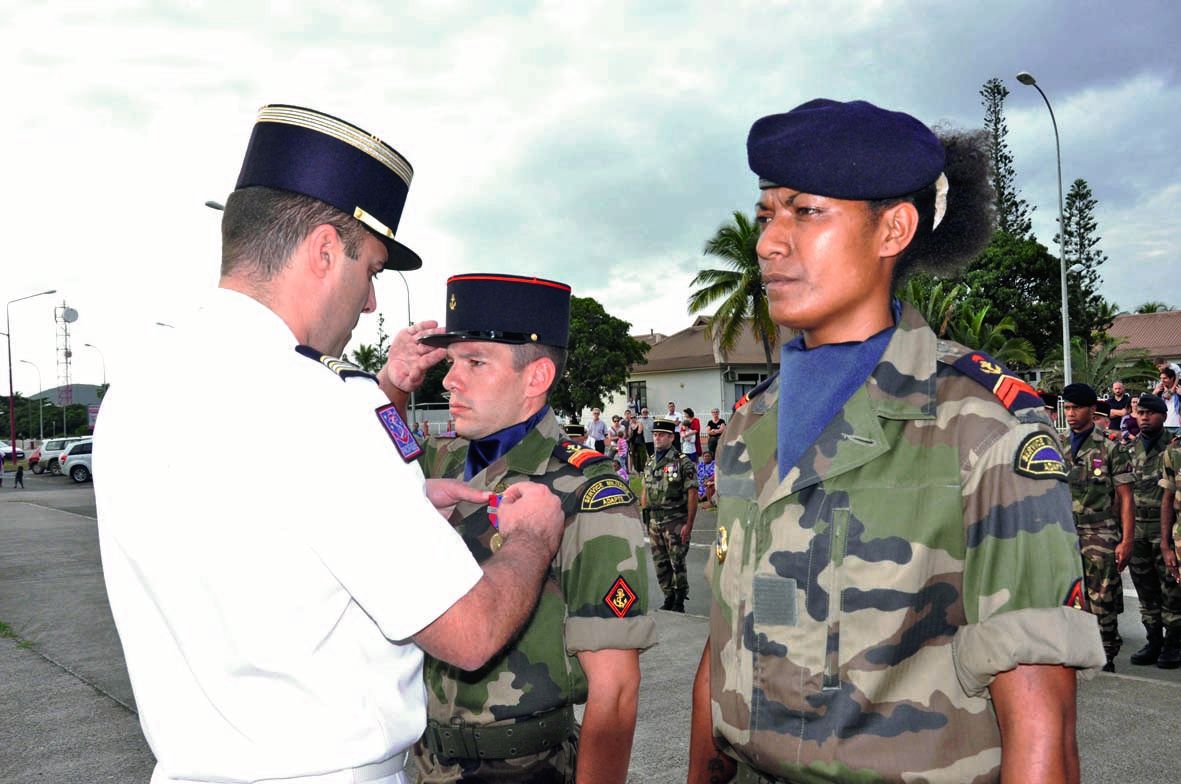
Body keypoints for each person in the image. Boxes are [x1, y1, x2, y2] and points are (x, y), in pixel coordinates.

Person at [93, 105, 566, 784]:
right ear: (322, 250)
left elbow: (255, 533)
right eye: (371, 268)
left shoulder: (140, 387)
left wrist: (402, 498)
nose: (371, 302)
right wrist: (530, 537)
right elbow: (469, 634)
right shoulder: (322, 405)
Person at [688, 98, 1103, 784]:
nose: (767, 241)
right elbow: (722, 636)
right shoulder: (746, 424)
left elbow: (1041, 728)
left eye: (805, 211)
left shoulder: (980, 428)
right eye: (767, 214)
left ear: (893, 229)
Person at [383, 273, 656, 783]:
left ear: (537, 378)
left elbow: (615, 691)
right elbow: (370, 467)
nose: (449, 380)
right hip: (424, 763)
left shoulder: (585, 491)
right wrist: (394, 385)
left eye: (476, 362)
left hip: (526, 768)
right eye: (452, 362)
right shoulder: (444, 458)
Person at [1060, 383, 1134, 671]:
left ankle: (1105, 655)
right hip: (1066, 532)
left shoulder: (1111, 446)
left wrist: (1126, 540)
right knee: (1070, 595)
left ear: (1092, 409)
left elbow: (1126, 498)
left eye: (1076, 407)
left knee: (1101, 598)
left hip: (1100, 530)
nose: (1071, 413)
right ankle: (1077, 650)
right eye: (1067, 408)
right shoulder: (1059, 443)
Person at [1124, 393, 1181, 668]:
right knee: (1145, 589)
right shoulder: (1130, 448)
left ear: (1162, 415)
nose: (1144, 417)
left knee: (1171, 589)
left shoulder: (1173, 447)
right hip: (1137, 530)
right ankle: (1154, 640)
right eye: (1140, 413)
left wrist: (1169, 539)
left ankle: (1173, 644)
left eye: (1150, 413)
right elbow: (1121, 494)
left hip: (1165, 529)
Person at [641, 417, 697, 613]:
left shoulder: (683, 462)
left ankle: (679, 600)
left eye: (661, 435)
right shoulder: (649, 462)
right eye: (655, 435)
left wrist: (688, 525)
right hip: (655, 521)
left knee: (677, 563)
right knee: (660, 564)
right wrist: (645, 517)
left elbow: (692, 493)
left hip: (675, 521)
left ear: (671, 437)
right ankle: (668, 596)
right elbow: (645, 490)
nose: (657, 438)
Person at [1153, 367, 1181, 435]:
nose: (1162, 380)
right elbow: (1150, 405)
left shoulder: (1179, 389)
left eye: (1165, 378)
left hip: (1178, 426)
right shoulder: (1159, 391)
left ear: (1172, 378)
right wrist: (1154, 393)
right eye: (1161, 378)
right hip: (1163, 426)